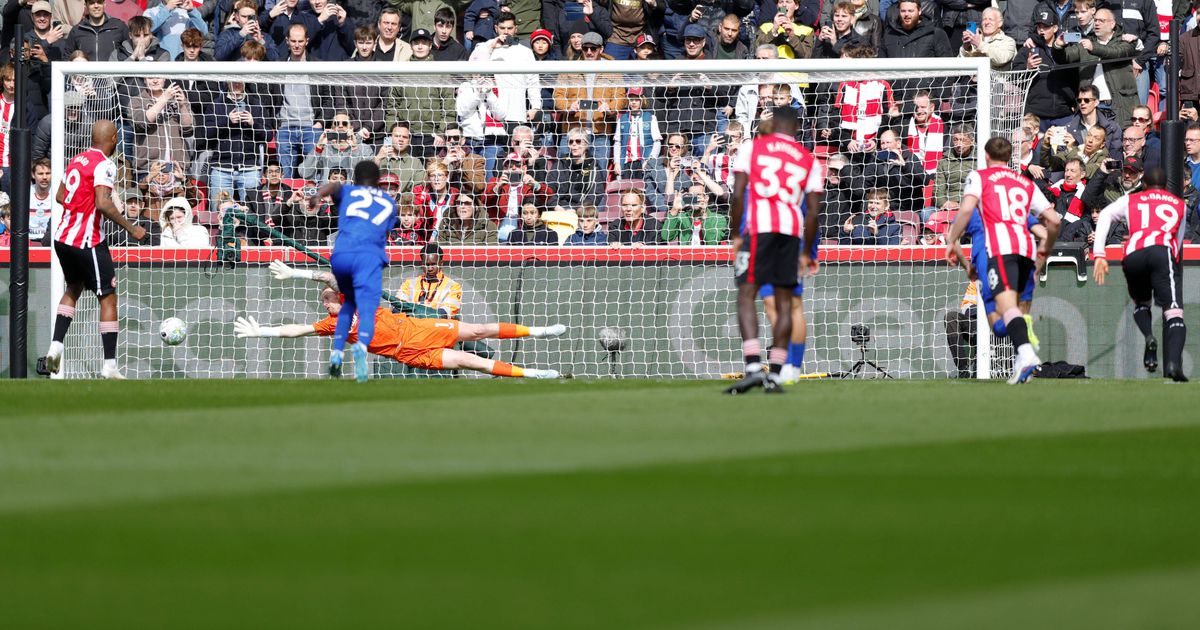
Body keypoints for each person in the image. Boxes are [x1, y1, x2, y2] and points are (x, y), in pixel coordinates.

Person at [237, 263, 564, 379]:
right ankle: (534, 373)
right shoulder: (332, 324)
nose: (328, 301)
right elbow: (297, 331)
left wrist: (296, 273)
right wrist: (261, 331)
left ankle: (540, 331)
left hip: (418, 327)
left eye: (330, 297)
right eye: (325, 300)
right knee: (469, 361)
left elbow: (332, 278)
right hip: (410, 353)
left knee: (477, 330)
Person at [944, 136, 1060, 385]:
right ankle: (1023, 354)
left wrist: (953, 245)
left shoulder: (980, 182)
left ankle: (1027, 354)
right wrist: (1044, 252)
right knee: (1007, 319)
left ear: (986, 156)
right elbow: (1051, 223)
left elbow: (963, 214)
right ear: (1010, 157)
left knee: (1006, 311)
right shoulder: (1024, 183)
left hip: (998, 253)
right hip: (1027, 251)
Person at [725, 106, 823, 394]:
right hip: (792, 231)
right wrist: (807, 250)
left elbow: (738, 193)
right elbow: (815, 212)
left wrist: (736, 234)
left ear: (773, 122)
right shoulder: (808, 159)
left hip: (759, 228)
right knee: (784, 303)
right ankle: (778, 372)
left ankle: (755, 366)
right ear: (796, 127)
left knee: (747, 293)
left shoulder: (752, 148)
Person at [40, 120, 147, 379]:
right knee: (108, 296)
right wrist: (132, 229)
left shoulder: (77, 159)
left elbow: (60, 196)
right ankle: (109, 366)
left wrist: (79, 209)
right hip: (87, 240)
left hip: (62, 237)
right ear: (112, 139)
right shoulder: (105, 164)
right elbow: (102, 203)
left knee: (74, 288)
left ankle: (55, 347)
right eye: (117, 138)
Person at [1092, 167, 1188, 382]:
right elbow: (1178, 240)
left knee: (1142, 303)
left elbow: (1106, 214)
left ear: (1144, 184)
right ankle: (1173, 364)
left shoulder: (1131, 200)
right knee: (1173, 312)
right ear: (1165, 185)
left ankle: (1148, 337)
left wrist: (1099, 253)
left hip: (1134, 253)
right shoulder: (1178, 204)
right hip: (1162, 252)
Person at [311, 160, 398, 381]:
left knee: (348, 302)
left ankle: (337, 352)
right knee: (367, 308)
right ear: (378, 180)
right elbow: (385, 232)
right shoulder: (389, 202)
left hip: (341, 254)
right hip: (368, 256)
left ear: (355, 179)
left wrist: (317, 195)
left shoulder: (348, 190)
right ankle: (361, 346)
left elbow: (333, 187)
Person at [396, 242, 462, 319]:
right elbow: (397, 309)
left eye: (433, 264)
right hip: (412, 327)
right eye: (427, 265)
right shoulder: (409, 284)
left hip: (439, 328)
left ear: (441, 263)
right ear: (422, 264)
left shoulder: (453, 286)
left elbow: (446, 313)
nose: (430, 268)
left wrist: (418, 314)